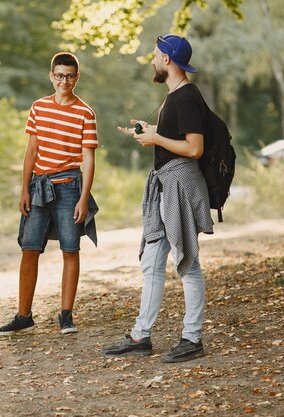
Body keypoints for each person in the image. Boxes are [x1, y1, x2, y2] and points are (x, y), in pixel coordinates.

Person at [101, 34, 214, 363]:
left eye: (156, 54)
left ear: (168, 60)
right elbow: (172, 138)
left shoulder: (187, 98)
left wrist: (156, 138)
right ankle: (141, 336)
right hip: (166, 185)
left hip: (179, 183)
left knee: (188, 264)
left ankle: (192, 338)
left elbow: (195, 148)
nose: (152, 59)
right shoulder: (174, 97)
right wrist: (147, 130)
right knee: (152, 263)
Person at [0, 52, 99, 337]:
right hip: (39, 187)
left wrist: (83, 198)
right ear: (51, 76)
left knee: (70, 249)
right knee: (29, 249)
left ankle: (65, 315)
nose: (64, 81)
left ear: (77, 77)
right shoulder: (39, 107)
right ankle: (23, 315)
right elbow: (32, 151)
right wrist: (24, 189)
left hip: (69, 187)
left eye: (70, 76)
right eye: (59, 75)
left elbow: (88, 159)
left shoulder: (85, 113)